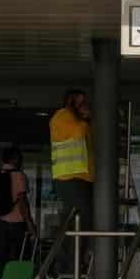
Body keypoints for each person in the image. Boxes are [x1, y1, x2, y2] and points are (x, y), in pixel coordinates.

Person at [0, 146, 34, 279]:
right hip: (15, 225)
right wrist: (30, 224)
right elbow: (22, 202)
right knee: (16, 258)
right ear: (15, 159)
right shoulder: (18, 176)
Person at [49, 89, 93, 231]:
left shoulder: (79, 120)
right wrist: (86, 119)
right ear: (70, 102)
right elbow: (78, 133)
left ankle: (78, 251)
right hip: (70, 176)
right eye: (82, 103)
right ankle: (67, 252)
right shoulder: (62, 116)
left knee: (83, 218)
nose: (85, 106)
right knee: (78, 218)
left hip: (82, 177)